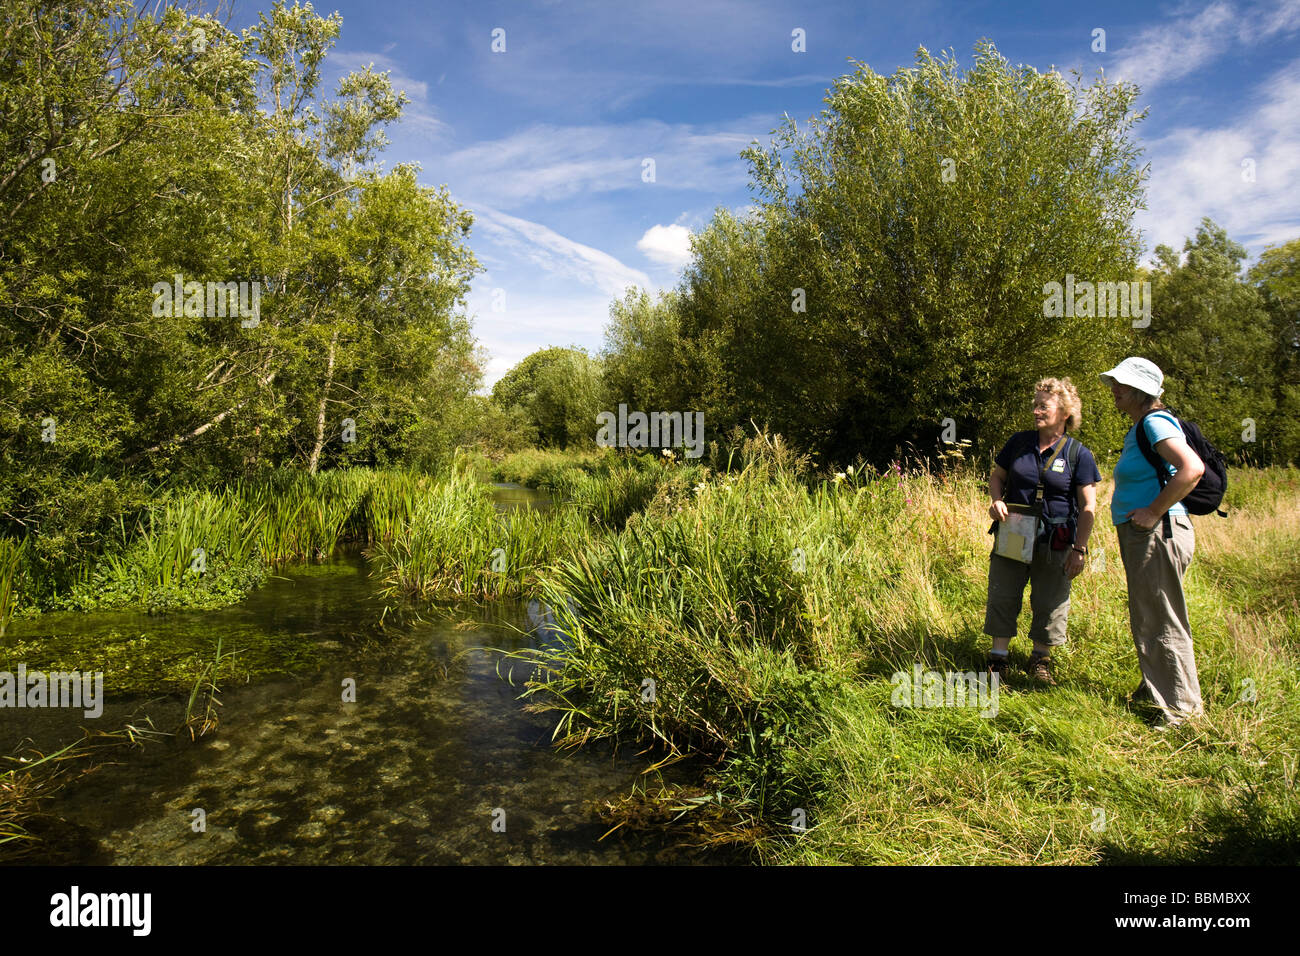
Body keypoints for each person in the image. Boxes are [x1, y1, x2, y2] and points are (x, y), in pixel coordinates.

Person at [1101, 357, 1206, 728]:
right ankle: (1156, 689)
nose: (1114, 389)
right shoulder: (1142, 426)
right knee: (1149, 615)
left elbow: (1192, 469)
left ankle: (1181, 712)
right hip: (1148, 535)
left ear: (1141, 391)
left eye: (1121, 384)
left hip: (1157, 534)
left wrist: (1152, 511)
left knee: (1163, 619)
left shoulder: (1154, 422)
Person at [984, 377, 1100, 685]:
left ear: (1064, 412)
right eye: (1034, 405)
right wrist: (996, 500)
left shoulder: (1079, 454)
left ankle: (1040, 659)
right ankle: (998, 658)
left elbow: (1089, 506)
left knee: (1050, 600)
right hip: (1013, 531)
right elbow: (997, 477)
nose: (1036, 411)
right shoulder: (1018, 443)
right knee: (1003, 592)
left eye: (1043, 406)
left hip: (1056, 540)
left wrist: (1079, 549)